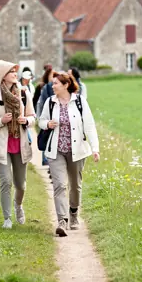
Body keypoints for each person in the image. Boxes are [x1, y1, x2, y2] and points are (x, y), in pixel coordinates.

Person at [38, 71, 99, 237]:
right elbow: (41, 121)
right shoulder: (51, 102)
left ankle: (73, 213)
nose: (53, 86)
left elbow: (89, 126)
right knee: (59, 185)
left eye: (56, 83)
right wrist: (47, 124)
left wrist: (95, 148)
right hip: (55, 150)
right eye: (53, 83)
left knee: (75, 186)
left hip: (77, 150)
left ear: (66, 85)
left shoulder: (79, 101)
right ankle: (62, 221)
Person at [0, 60, 35, 229]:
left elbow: (33, 117)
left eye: (15, 71)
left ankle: (18, 205)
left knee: (21, 184)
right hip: (1, 145)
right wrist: (1, 120)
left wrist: (26, 120)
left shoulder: (24, 94)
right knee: (6, 181)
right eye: (11, 71)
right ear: (3, 76)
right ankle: (7, 218)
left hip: (20, 144)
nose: (15, 74)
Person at [35, 67, 55, 166]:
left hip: (54, 119)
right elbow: (38, 102)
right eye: (52, 75)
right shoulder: (43, 87)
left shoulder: (55, 88)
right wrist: (39, 118)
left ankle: (49, 162)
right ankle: (45, 159)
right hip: (45, 117)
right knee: (45, 137)